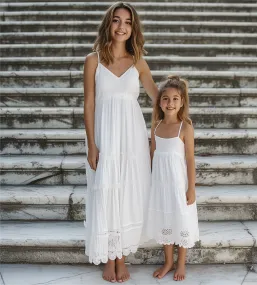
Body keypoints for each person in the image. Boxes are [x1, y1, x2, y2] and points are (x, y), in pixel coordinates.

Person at [83, 2, 158, 283]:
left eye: (127, 22)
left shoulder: (138, 60)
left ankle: (120, 258)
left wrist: (179, 114)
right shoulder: (93, 60)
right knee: (105, 191)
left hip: (131, 138)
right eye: (116, 20)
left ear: (133, 28)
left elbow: (156, 95)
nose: (121, 26)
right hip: (104, 135)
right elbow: (89, 104)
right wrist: (92, 144)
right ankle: (108, 256)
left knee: (126, 193)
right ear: (108, 24)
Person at [145, 75, 199, 281]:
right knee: (165, 220)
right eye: (166, 98)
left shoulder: (185, 127)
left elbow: (191, 159)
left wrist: (191, 188)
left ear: (182, 102)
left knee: (181, 220)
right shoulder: (156, 126)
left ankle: (181, 263)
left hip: (178, 185)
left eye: (175, 98)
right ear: (159, 102)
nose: (170, 103)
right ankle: (168, 261)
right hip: (161, 185)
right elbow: (152, 154)